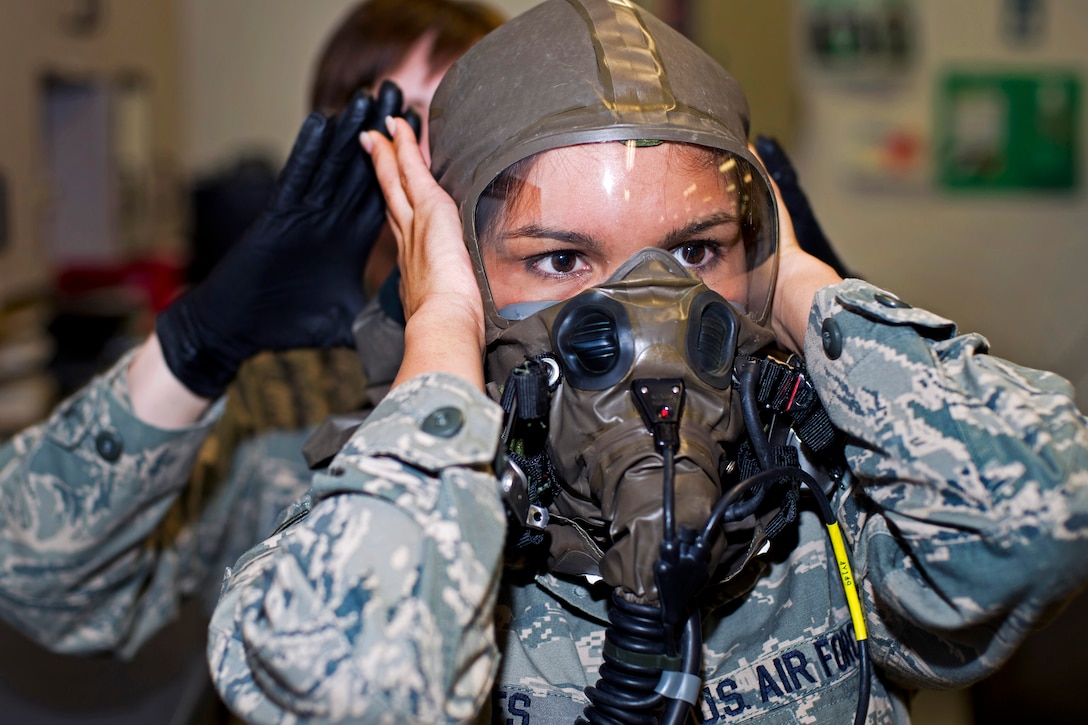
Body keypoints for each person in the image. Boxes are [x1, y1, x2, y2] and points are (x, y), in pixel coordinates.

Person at [206, 1, 1088, 724]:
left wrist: (807, 289)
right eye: (560, 260)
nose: (648, 322)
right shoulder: (392, 528)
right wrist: (438, 329)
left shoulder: (834, 512)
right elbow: (351, 688)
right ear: (467, 277)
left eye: (698, 251)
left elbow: (1045, 518)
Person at [0, 0, 502, 661]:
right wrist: (195, 349)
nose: (430, 157)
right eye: (403, 119)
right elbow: (32, 576)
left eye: (459, 115)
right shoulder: (276, 401)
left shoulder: (587, 351)